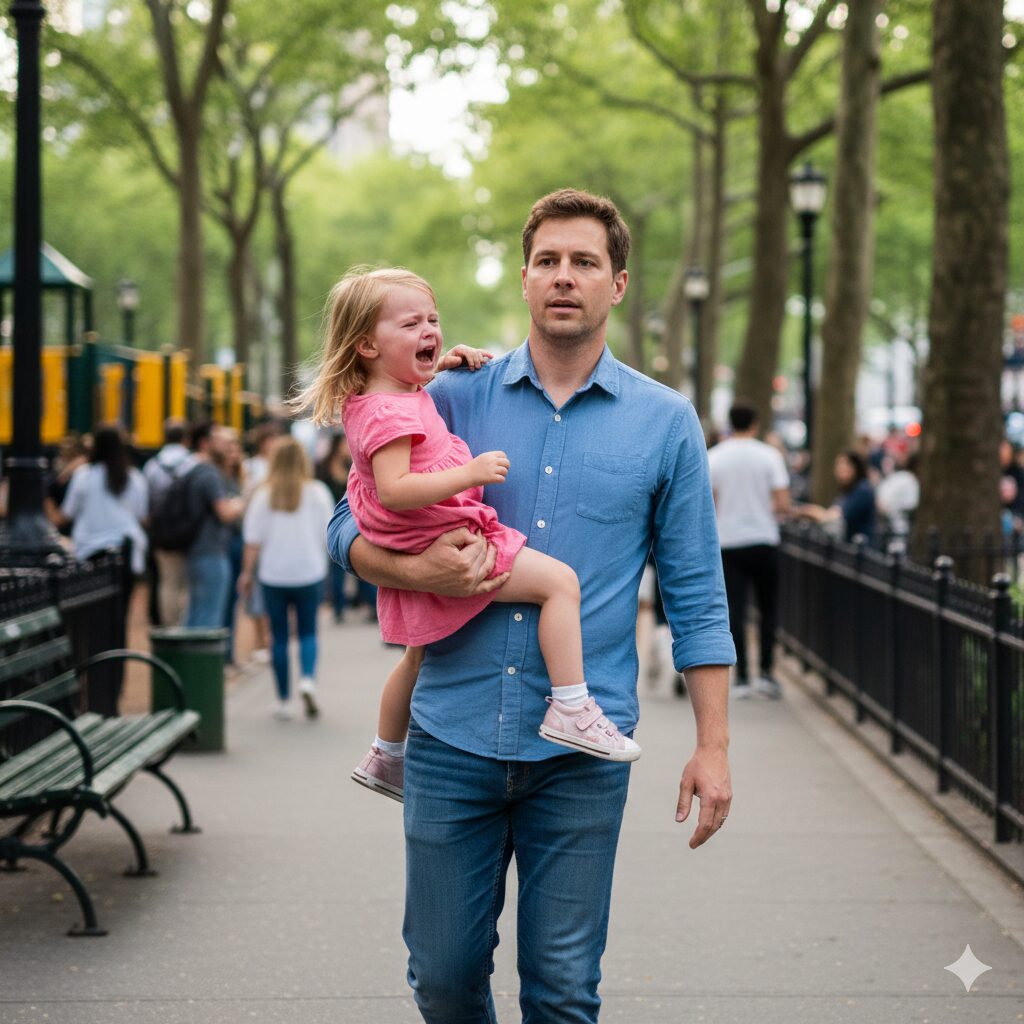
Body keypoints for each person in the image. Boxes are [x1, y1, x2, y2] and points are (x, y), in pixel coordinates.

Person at [327, 189, 734, 1023]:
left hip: (582, 754)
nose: (564, 277)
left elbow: (696, 591)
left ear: (617, 284)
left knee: (562, 989)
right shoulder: (444, 395)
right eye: (548, 260)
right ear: (523, 278)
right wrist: (417, 572)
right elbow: (345, 526)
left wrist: (714, 745)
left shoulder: (664, 422)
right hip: (451, 734)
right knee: (442, 978)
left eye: (584, 262)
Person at [304, 265, 643, 802]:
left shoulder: (384, 394)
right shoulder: (391, 414)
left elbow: (398, 406)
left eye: (432, 320)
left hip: (422, 537)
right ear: (367, 344)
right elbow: (393, 488)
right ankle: (572, 705)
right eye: (411, 323)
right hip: (449, 540)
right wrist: (471, 473)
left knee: (415, 657)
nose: (429, 331)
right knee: (559, 584)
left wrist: (436, 366)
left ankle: (386, 755)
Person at [239, 436, 334, 719]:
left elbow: (252, 541)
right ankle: (307, 679)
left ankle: (282, 700)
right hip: (309, 570)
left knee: (278, 636)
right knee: (307, 631)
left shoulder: (263, 495)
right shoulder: (317, 492)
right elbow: (328, 534)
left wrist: (246, 573)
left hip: (274, 574)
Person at [58, 423, 148, 714]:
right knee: (117, 625)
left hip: (91, 556)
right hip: (125, 553)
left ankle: (93, 692)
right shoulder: (132, 477)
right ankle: (111, 692)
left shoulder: (85, 477)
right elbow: (141, 515)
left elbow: (66, 515)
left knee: (89, 629)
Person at [708, 402, 791, 700]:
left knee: (735, 612)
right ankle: (767, 673)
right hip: (763, 539)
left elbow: (709, 504)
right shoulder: (769, 456)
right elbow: (782, 503)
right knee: (768, 609)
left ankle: (741, 676)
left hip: (728, 542)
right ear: (755, 424)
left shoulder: (715, 457)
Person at [183, 422, 244, 628]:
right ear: (205, 443)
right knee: (209, 615)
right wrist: (239, 503)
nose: (225, 446)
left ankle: (190, 658)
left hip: (197, 549)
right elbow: (224, 513)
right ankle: (203, 659)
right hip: (210, 550)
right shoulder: (209, 473)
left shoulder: (195, 469)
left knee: (198, 609)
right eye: (219, 440)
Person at [144, 419, 194, 626]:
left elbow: (146, 502)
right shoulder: (192, 463)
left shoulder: (152, 465)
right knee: (184, 583)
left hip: (161, 532)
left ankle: (168, 626)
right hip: (188, 532)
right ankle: (183, 625)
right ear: (185, 438)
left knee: (166, 581)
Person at [213, 425, 246, 666]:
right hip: (221, 541)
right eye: (227, 446)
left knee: (233, 598)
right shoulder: (214, 476)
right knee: (222, 597)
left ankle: (229, 652)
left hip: (237, 541)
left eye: (235, 446)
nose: (232, 452)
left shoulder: (239, 476)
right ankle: (220, 652)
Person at [798, 449, 877, 543]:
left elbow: (834, 517)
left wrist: (808, 511)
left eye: (845, 464)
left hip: (860, 551)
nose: (840, 469)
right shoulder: (847, 490)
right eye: (838, 464)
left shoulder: (862, 490)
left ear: (855, 467)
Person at [315, 433, 353, 623]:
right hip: (330, 520)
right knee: (336, 568)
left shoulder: (351, 465)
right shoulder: (323, 466)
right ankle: (338, 606)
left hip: (350, 519)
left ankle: (367, 604)